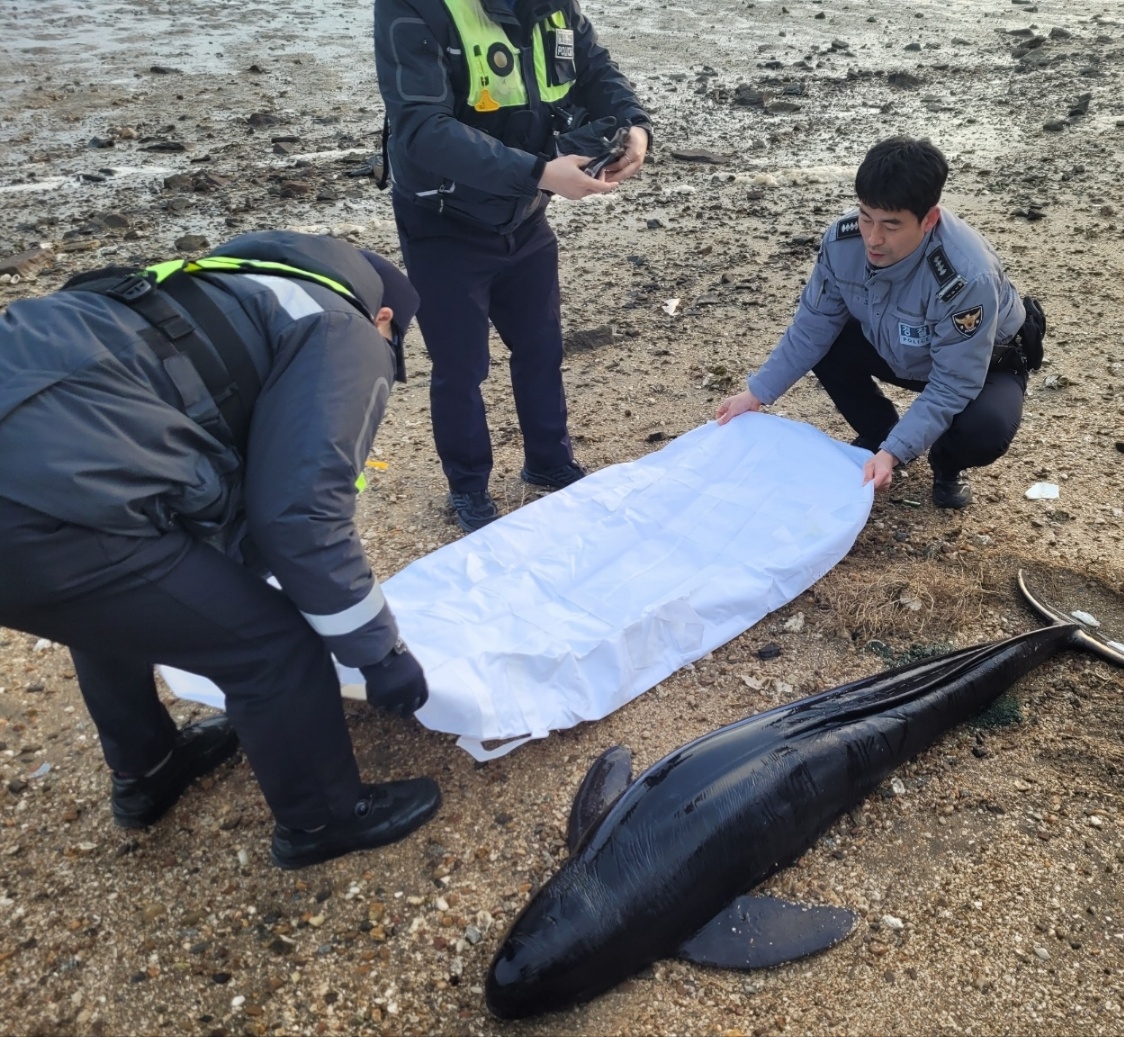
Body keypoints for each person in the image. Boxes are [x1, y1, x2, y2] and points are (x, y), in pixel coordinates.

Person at [0, 231, 442, 870]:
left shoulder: (207, 287)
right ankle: (322, 819)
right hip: (41, 512)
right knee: (273, 648)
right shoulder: (344, 330)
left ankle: (148, 767)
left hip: (44, 484)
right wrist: (379, 653)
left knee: (106, 608)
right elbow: (298, 517)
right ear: (383, 318)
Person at [374, 0, 653, 532]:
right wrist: (538, 172)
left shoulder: (556, 7)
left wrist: (636, 127)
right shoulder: (413, 7)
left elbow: (596, 71)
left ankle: (548, 461)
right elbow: (421, 127)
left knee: (541, 346)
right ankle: (468, 488)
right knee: (460, 369)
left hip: (524, 215)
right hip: (443, 221)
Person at [716, 136, 1044, 510]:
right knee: (826, 344)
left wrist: (894, 453)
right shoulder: (843, 244)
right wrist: (756, 393)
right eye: (866, 216)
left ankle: (946, 464)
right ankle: (878, 429)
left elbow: (955, 381)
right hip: (900, 346)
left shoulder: (965, 276)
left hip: (983, 366)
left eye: (891, 224)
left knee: (983, 431)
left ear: (929, 219)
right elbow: (812, 327)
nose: (873, 238)